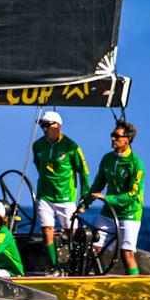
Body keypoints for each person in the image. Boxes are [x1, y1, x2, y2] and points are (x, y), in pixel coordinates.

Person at [82, 121, 145, 275]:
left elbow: (132, 195)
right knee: (93, 249)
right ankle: (96, 278)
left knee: (126, 253)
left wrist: (106, 198)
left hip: (129, 213)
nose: (113, 139)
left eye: (117, 136)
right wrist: (84, 203)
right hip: (108, 213)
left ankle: (134, 285)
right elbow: (98, 183)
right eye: (112, 135)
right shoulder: (107, 159)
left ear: (128, 139)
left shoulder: (135, 164)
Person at [32, 111, 90, 272]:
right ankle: (54, 267)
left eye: (47, 125)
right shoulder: (37, 145)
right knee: (47, 230)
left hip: (66, 197)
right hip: (44, 195)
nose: (44, 128)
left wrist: (85, 197)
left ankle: (74, 265)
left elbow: (83, 172)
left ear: (58, 126)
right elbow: (38, 165)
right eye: (42, 125)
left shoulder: (72, 147)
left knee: (70, 232)